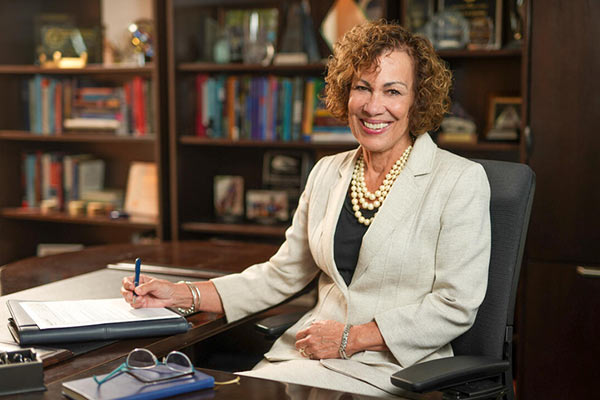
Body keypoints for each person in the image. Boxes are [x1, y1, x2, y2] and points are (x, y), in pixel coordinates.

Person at [121, 20, 491, 398]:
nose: (373, 106)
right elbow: (281, 274)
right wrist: (181, 294)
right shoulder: (328, 172)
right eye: (362, 87)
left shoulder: (460, 180)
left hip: (397, 371)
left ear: (417, 100)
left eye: (392, 91)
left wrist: (353, 337)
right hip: (306, 359)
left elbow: (455, 304)